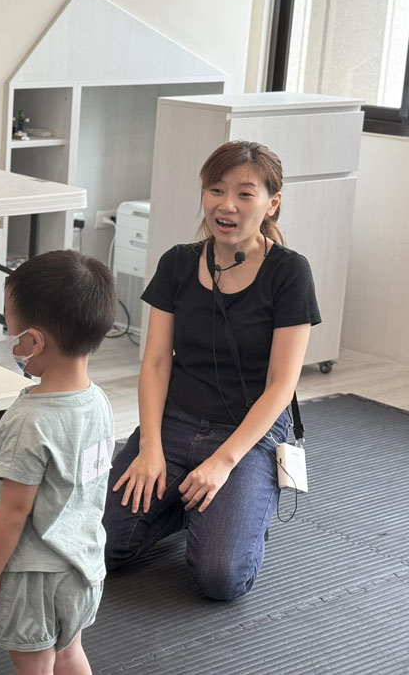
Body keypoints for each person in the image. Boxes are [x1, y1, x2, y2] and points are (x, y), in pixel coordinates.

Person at [102, 140, 320, 601]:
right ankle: (188, 507)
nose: (227, 205)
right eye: (216, 190)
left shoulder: (290, 273)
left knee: (220, 579)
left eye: (245, 194)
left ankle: (235, 507)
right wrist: (150, 448)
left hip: (247, 434)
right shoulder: (178, 263)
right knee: (100, 546)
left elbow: (282, 385)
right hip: (175, 421)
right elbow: (156, 362)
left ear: (272, 203)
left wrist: (222, 463)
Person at [0, 250, 117, 675]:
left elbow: (13, 512)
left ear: (33, 342)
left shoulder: (29, 422)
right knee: (69, 653)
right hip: (84, 566)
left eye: (12, 332)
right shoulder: (99, 402)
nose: (11, 342)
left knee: (34, 666)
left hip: (33, 578)